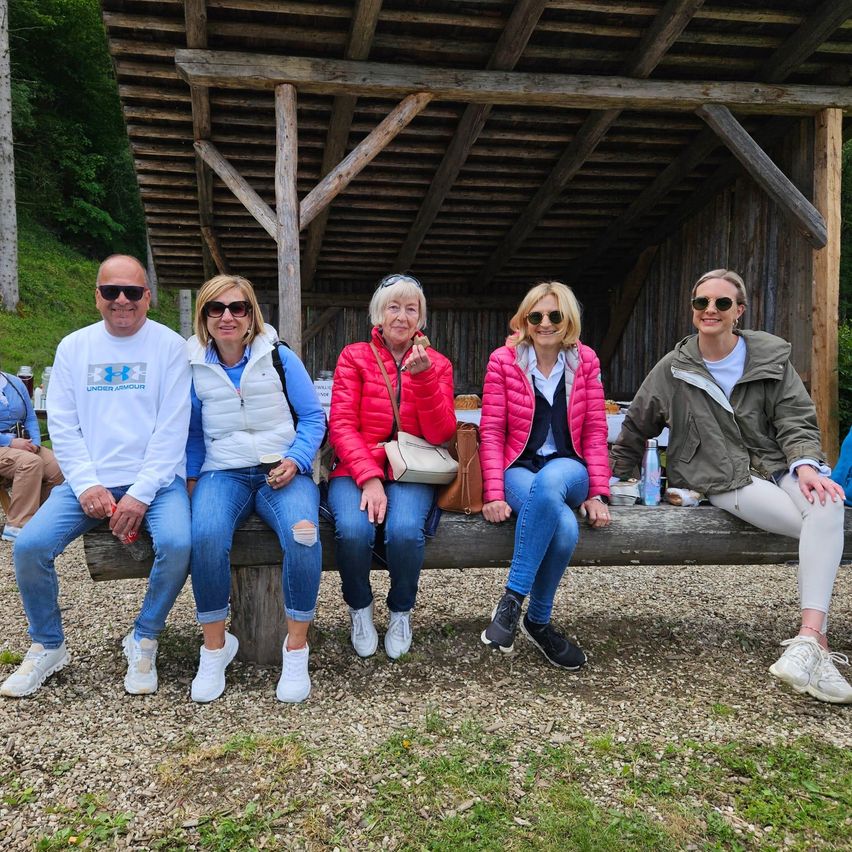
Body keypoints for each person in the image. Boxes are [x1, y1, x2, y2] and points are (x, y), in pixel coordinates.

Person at [611, 268, 851, 704]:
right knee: (818, 527)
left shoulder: (770, 358)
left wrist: (805, 466)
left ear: (738, 311)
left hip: (778, 465)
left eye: (722, 303)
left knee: (828, 507)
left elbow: (796, 416)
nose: (710, 310)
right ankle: (818, 648)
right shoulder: (674, 368)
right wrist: (613, 481)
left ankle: (810, 642)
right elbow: (635, 425)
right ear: (693, 311)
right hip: (720, 476)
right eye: (702, 303)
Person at [0, 255, 192, 698]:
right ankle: (48, 644)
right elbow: (63, 426)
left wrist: (140, 494)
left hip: (157, 483)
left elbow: (173, 427)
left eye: (132, 292)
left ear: (149, 296)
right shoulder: (74, 347)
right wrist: (87, 485)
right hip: (91, 481)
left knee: (181, 543)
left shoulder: (169, 347)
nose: (121, 300)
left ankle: (144, 636)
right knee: (29, 546)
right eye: (111, 291)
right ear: (97, 296)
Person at [186, 275, 326, 704]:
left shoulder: (279, 356)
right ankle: (215, 647)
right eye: (216, 308)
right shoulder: (191, 364)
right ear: (204, 316)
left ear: (251, 315)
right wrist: (193, 484)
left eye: (238, 307)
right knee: (205, 535)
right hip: (222, 472)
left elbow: (313, 417)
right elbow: (190, 433)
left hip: (279, 468)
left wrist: (296, 460)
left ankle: (296, 647)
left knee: (304, 533)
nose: (227, 316)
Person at [479, 281, 611, 669]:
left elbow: (595, 431)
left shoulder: (585, 361)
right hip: (518, 469)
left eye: (554, 315)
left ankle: (510, 601)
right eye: (536, 316)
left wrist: (598, 492)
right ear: (525, 321)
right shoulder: (503, 361)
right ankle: (538, 622)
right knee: (565, 527)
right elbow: (491, 432)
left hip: (569, 469)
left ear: (568, 318)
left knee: (553, 482)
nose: (546, 323)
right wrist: (492, 493)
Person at [328, 273, 456, 659]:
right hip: (357, 464)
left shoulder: (438, 363)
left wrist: (424, 380)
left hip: (413, 466)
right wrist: (368, 478)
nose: (402, 316)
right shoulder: (354, 356)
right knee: (352, 530)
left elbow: (441, 433)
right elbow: (342, 425)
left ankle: (401, 610)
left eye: (411, 308)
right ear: (378, 315)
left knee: (403, 532)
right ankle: (360, 607)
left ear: (421, 318)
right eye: (393, 307)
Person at [0, 367, 63, 542]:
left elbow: (30, 417)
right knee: (30, 462)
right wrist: (9, 442)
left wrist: (34, 442)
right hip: (7, 445)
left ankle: (39, 521)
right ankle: (17, 526)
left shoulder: (15, 382)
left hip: (23, 443)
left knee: (58, 465)